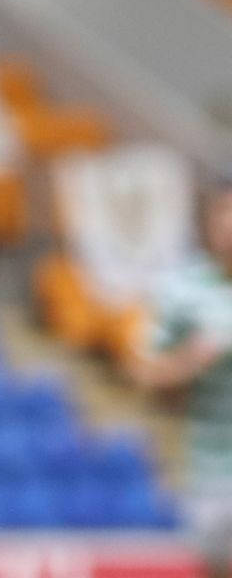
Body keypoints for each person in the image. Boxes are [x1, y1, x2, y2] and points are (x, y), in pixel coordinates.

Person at [130, 181, 232, 577]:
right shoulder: (180, 288)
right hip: (205, 470)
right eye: (223, 212)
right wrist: (190, 360)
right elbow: (143, 372)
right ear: (208, 221)